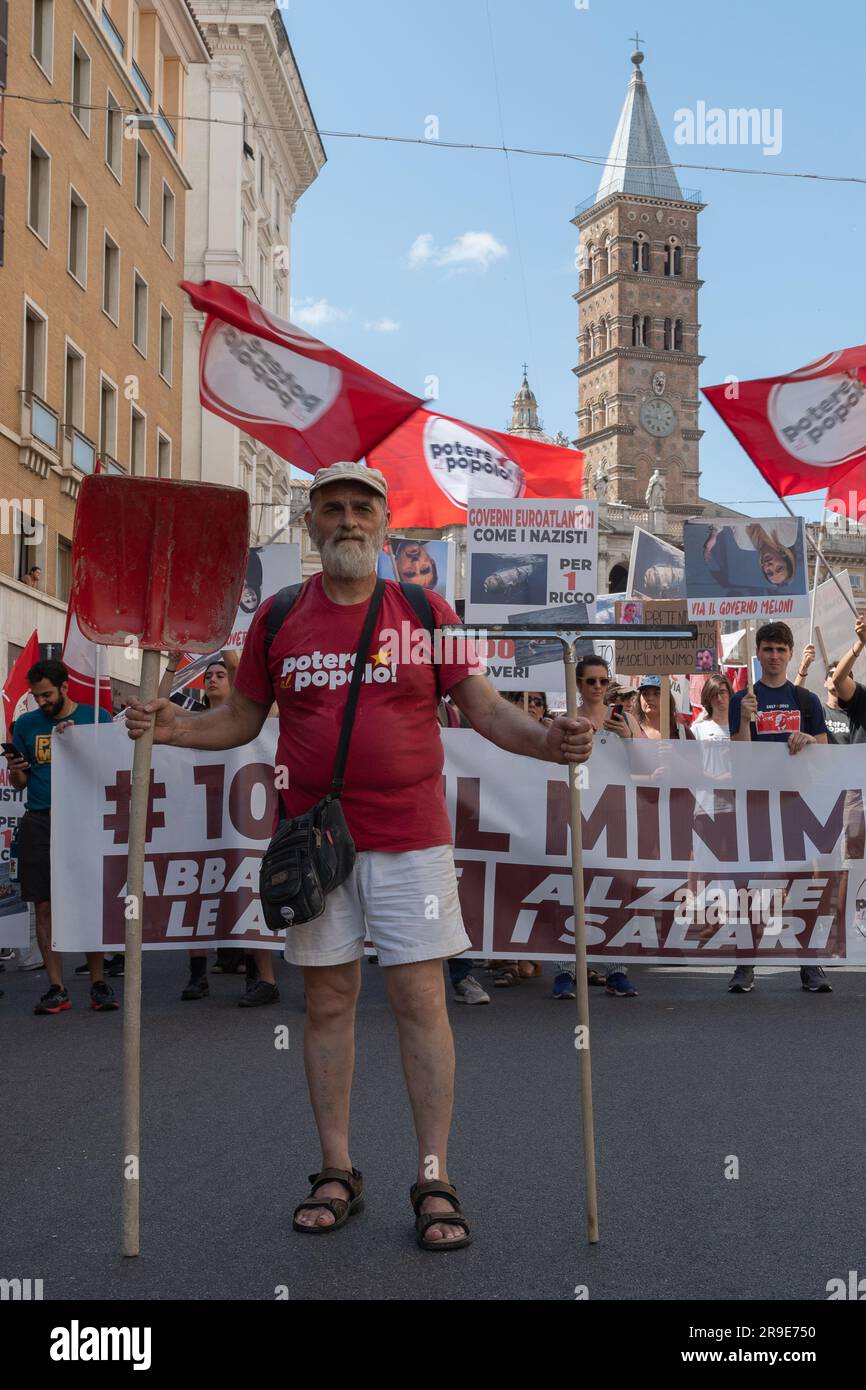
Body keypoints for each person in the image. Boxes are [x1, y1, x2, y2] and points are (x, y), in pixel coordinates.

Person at [126, 460, 593, 1251]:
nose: (346, 520)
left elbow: (481, 709)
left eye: (361, 508)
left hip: (412, 839)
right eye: (332, 508)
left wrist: (551, 741)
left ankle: (433, 1176)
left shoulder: (423, 608)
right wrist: (174, 728)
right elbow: (241, 717)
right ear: (311, 525)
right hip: (315, 844)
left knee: (420, 1001)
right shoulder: (277, 617)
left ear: (383, 525)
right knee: (330, 1004)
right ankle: (336, 1170)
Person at [4, 660, 116, 1014]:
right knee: (44, 903)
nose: (42, 702)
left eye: (47, 695)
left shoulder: (94, 717)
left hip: (84, 816)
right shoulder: (24, 725)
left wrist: (78, 743)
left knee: (88, 901)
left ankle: (98, 982)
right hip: (40, 818)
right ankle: (57, 987)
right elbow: (21, 784)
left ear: (65, 687)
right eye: (37, 696)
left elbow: (112, 765)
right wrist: (16, 771)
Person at [728, 621, 830, 996]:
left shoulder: (806, 701)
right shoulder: (743, 699)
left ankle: (809, 963)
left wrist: (809, 741)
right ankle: (745, 964)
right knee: (752, 887)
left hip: (796, 805)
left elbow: (824, 756)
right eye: (768, 649)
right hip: (756, 806)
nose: (774, 656)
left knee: (802, 886)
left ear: (789, 654)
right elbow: (737, 759)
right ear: (758, 653)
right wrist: (742, 721)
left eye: (780, 650)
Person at [553, 656, 640, 1000]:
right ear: (578, 684)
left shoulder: (624, 718)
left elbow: (649, 765)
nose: (598, 687)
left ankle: (616, 970)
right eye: (591, 681)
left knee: (615, 891)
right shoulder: (568, 719)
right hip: (575, 811)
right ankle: (565, 971)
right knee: (571, 892)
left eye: (604, 681)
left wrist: (630, 739)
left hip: (614, 812)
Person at [635, 676, 693, 740]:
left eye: (657, 693)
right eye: (645, 693)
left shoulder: (683, 733)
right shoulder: (632, 729)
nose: (650, 698)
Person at [692, 673, 733, 741]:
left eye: (722, 692)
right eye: (714, 694)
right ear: (708, 698)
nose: (719, 698)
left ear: (730, 694)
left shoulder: (740, 729)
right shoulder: (697, 730)